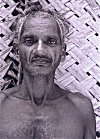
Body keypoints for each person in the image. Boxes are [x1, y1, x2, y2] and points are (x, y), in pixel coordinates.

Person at [0, 7, 96, 139]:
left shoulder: (81, 109)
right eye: (29, 41)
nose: (40, 51)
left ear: (62, 52)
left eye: (51, 42)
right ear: (17, 50)